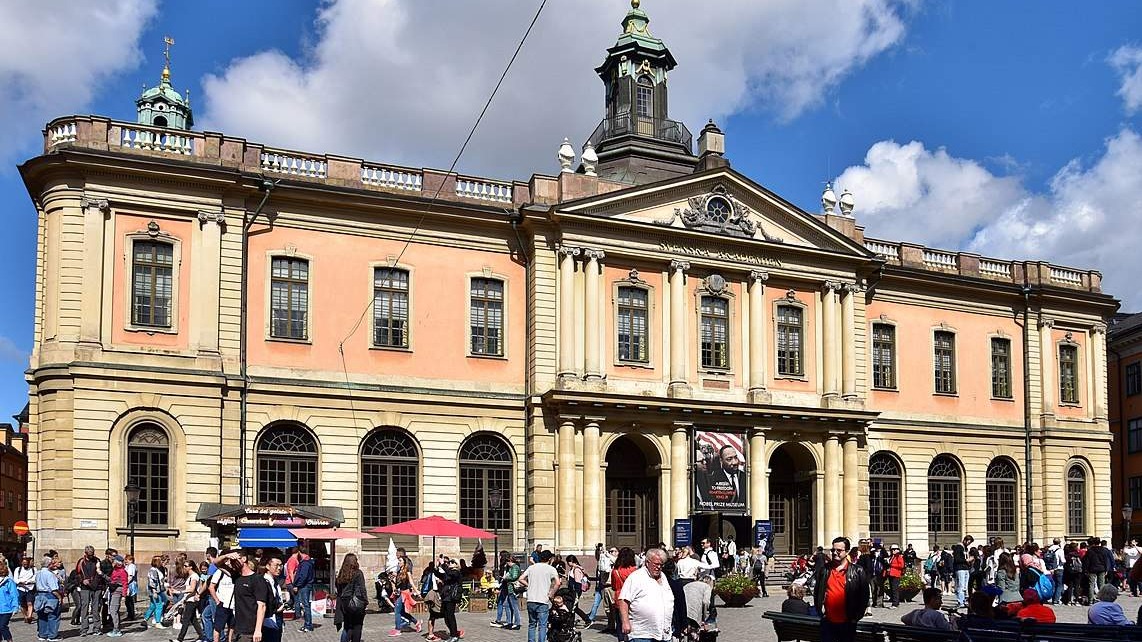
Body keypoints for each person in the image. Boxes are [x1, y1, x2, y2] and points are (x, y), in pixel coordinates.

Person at [812, 537, 870, 642]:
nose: (835, 553)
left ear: (847, 551)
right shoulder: (825, 570)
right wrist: (820, 611)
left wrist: (856, 617)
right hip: (828, 621)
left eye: (839, 550)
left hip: (847, 622)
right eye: (833, 550)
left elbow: (864, 597)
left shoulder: (858, 571)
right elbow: (817, 592)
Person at [616, 548, 674, 642]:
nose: (659, 567)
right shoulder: (636, 577)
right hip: (642, 633)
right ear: (647, 562)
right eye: (656, 564)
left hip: (663, 633)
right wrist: (625, 622)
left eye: (661, 564)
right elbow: (623, 600)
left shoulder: (663, 577)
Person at [519, 550, 560, 642]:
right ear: (549, 559)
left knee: (532, 624)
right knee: (542, 626)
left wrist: (528, 585)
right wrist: (551, 593)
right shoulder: (551, 569)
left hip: (531, 600)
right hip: (542, 600)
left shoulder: (532, 567)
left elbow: (521, 579)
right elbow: (558, 583)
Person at [229, 552, 267, 642]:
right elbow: (217, 564)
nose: (232, 563)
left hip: (250, 629)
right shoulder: (237, 577)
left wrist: (258, 630)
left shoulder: (257, 579)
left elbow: (261, 606)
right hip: (237, 628)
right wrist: (226, 556)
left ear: (244, 559)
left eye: (234, 560)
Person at [334, 553, 368, 642]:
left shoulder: (342, 573)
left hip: (344, 603)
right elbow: (362, 589)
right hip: (356, 602)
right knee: (357, 626)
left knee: (347, 625)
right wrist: (365, 602)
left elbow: (338, 588)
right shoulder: (358, 573)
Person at [390, 548, 420, 636]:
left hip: (405, 593)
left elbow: (411, 581)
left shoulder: (407, 569)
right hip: (400, 592)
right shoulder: (400, 569)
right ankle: (417, 622)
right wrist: (394, 577)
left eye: (399, 560)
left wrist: (417, 591)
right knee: (402, 612)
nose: (398, 561)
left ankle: (398, 629)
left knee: (397, 611)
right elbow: (399, 580)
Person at [432, 558, 463, 642]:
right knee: (446, 617)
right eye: (449, 562)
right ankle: (453, 633)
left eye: (452, 562)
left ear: (457, 564)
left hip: (451, 597)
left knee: (450, 616)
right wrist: (436, 567)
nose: (450, 563)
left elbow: (450, 574)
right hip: (446, 596)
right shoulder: (449, 573)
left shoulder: (457, 572)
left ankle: (454, 636)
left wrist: (443, 564)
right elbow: (439, 575)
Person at [35, 556, 63, 642]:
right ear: (49, 564)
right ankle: (52, 635)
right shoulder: (50, 574)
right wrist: (59, 598)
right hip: (50, 596)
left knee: (42, 616)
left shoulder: (38, 573)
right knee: (53, 616)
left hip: (39, 595)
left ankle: (42, 634)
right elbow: (54, 589)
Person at [258, 558, 286, 642]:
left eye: (280, 565)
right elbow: (262, 602)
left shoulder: (276, 581)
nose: (279, 568)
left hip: (277, 619)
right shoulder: (263, 581)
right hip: (268, 621)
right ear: (267, 566)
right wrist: (275, 610)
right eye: (276, 565)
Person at [492, 551, 521, 630]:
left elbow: (514, 577)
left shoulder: (515, 567)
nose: (507, 563)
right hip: (509, 588)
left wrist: (506, 578)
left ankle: (517, 623)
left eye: (508, 562)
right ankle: (509, 622)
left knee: (514, 607)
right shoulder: (511, 567)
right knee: (507, 605)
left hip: (512, 589)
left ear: (511, 561)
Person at [105, 556, 128, 637]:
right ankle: (117, 628)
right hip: (114, 591)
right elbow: (113, 579)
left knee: (113, 610)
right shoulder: (115, 569)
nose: (113, 562)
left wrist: (124, 595)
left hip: (117, 592)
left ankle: (116, 629)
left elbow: (125, 583)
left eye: (114, 561)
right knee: (114, 610)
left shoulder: (122, 571)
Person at [0, 560, 18, 642]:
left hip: (6, 609)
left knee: (2, 626)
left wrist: (15, 607)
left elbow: (14, 595)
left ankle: (9, 640)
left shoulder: (8, 582)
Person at [14, 557, 34, 625]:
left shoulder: (33, 569)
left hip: (30, 588)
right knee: (22, 604)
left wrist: (28, 581)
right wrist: (21, 582)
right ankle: (25, 616)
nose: (25, 565)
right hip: (21, 589)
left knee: (30, 603)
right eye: (24, 563)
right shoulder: (18, 569)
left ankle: (29, 617)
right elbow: (15, 579)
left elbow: (35, 578)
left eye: (26, 563)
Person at [884, 544, 905, 609]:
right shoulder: (892, 556)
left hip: (896, 574)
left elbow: (901, 565)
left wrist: (891, 565)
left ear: (897, 550)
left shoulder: (899, 557)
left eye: (893, 550)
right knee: (892, 589)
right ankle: (894, 602)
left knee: (895, 589)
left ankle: (895, 604)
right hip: (891, 574)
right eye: (891, 550)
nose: (892, 551)